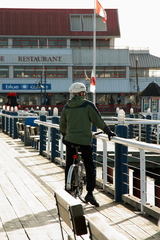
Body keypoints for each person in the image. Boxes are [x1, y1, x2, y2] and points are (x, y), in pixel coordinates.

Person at [60, 82, 116, 207]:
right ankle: (89, 193)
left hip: (69, 140)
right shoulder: (87, 105)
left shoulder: (67, 106)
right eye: (84, 93)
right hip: (84, 141)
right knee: (89, 166)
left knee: (69, 163)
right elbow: (98, 120)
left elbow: (62, 125)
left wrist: (65, 135)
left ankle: (68, 186)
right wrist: (108, 131)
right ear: (81, 93)